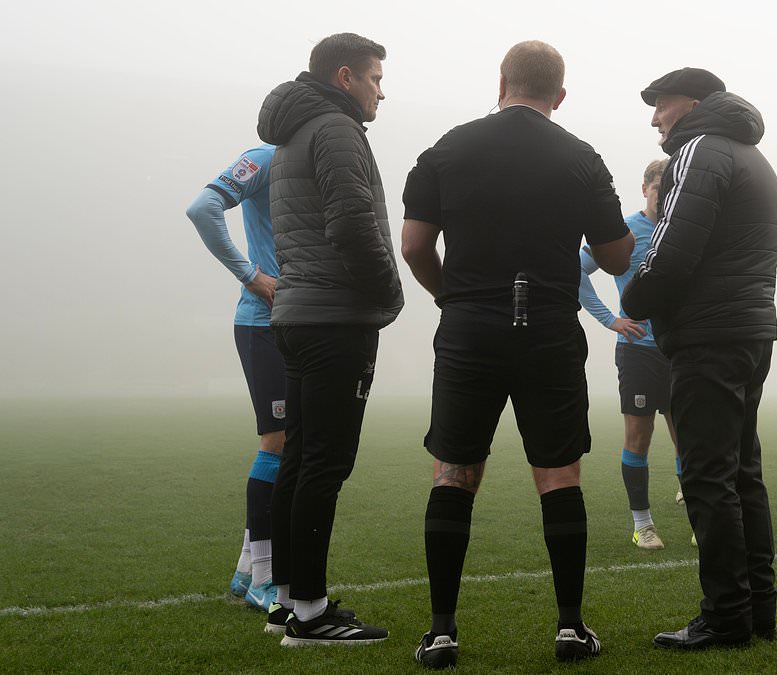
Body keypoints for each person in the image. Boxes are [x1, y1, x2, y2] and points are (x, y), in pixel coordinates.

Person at [401, 40, 633, 669]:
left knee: (454, 472)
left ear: (500, 81)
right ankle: (569, 628)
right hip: (550, 330)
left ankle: (442, 631)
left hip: (469, 328)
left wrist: (453, 297)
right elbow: (616, 257)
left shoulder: (447, 148)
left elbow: (415, 246)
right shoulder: (582, 157)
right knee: (558, 474)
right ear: (561, 96)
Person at [622, 66, 777, 650]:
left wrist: (635, 296)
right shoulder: (751, 157)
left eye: (660, 105)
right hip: (748, 332)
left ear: (691, 104)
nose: (655, 117)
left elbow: (671, 249)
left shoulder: (699, 150)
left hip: (707, 338)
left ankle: (725, 616)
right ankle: (756, 609)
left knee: (708, 479)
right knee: (743, 475)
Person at [256, 32, 404, 646]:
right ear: (345, 77)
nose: (380, 92)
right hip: (334, 318)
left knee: (298, 456)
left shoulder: (295, 132)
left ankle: (288, 600)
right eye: (374, 78)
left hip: (297, 314)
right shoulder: (336, 130)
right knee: (325, 461)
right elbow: (350, 222)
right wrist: (387, 295)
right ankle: (312, 617)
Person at [185, 144, 283, 611]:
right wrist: (250, 275)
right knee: (278, 442)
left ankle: (248, 572)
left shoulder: (317, 158)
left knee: (286, 442)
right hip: (264, 324)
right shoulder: (265, 158)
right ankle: (265, 579)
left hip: (291, 324)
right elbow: (202, 207)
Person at [578, 158, 684, 550]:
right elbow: (577, 269)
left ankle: (697, 519)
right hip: (638, 351)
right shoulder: (625, 232)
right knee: (639, 437)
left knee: (687, 438)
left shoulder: (682, 231)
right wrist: (610, 320)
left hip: (680, 350)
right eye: (659, 189)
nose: (665, 197)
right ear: (645, 189)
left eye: (672, 190)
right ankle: (643, 524)